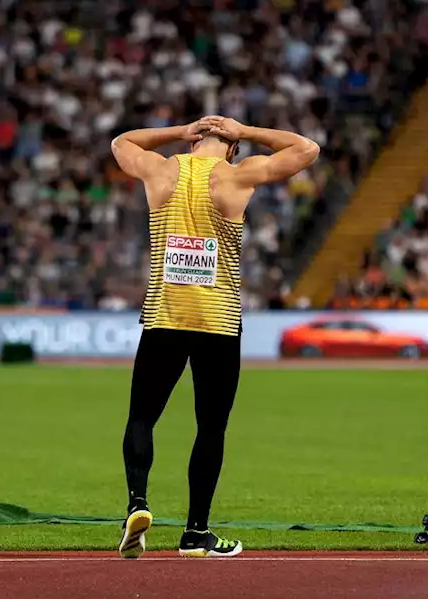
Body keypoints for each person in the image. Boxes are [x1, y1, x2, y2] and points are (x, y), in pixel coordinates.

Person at [109, 115, 320, 559]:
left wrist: (177, 130)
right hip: (218, 323)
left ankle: (137, 503)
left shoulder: (161, 170)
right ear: (229, 148)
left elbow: (120, 142)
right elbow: (307, 149)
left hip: (165, 316)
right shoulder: (237, 175)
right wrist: (245, 131)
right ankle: (195, 532)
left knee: (142, 417)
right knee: (211, 429)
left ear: (191, 145)